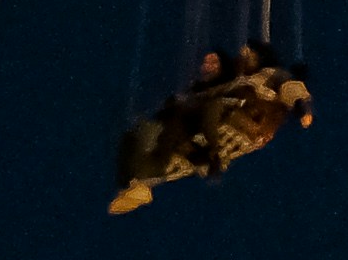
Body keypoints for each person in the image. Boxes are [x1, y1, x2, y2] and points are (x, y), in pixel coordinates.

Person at [107, 43, 314, 214]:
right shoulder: (238, 79)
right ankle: (139, 183)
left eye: (250, 51)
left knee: (211, 109)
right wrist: (178, 103)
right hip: (219, 116)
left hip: (250, 121)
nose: (244, 53)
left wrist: (302, 110)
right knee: (151, 131)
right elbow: (210, 94)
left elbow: (292, 89)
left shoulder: (271, 75)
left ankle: (210, 154)